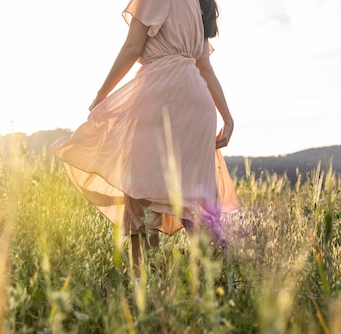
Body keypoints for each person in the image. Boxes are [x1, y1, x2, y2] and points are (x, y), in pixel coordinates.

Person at [51, 0, 239, 278]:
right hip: (197, 104)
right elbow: (205, 68)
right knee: (193, 199)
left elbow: (132, 48)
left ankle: (145, 281)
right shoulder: (197, 3)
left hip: (160, 95)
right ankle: (223, 279)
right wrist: (227, 117)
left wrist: (102, 95)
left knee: (139, 188)